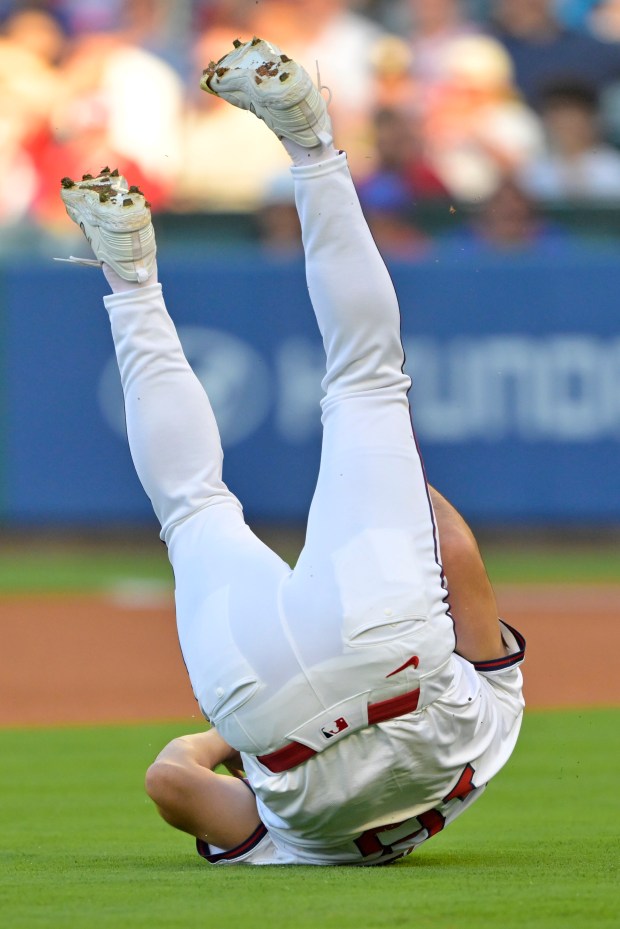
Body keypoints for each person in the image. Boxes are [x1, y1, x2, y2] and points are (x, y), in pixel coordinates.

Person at [57, 37, 525, 867]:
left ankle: (310, 138)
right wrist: (223, 742)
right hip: (264, 710)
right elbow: (170, 780)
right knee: (190, 505)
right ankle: (127, 278)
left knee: (367, 384)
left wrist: (388, 485)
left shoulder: (490, 745)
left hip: (402, 662)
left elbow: (453, 550)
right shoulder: (291, 846)